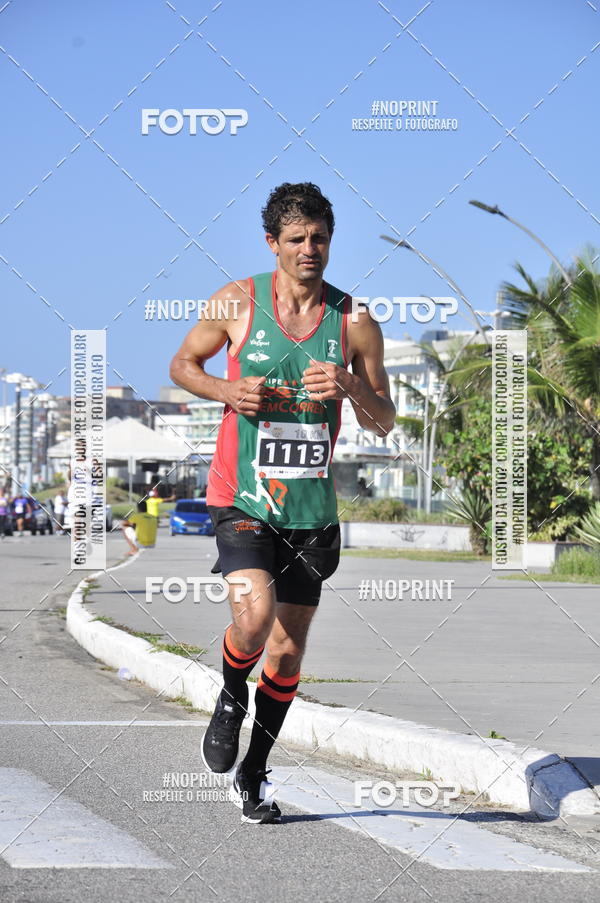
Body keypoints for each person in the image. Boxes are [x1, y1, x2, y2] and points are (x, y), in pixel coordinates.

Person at [170, 182, 395, 823]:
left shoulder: (354, 321)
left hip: (311, 512)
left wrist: (351, 385)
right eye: (295, 239)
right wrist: (227, 389)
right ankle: (230, 693)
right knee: (253, 615)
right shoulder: (237, 302)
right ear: (273, 243)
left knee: (289, 651)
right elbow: (182, 363)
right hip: (240, 495)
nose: (309, 249)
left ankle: (256, 771)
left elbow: (383, 421)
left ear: (331, 240)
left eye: (319, 237)